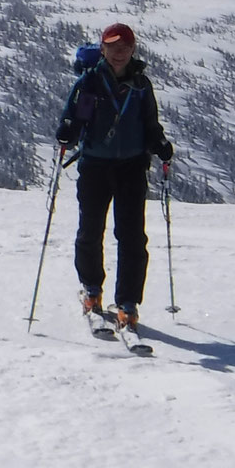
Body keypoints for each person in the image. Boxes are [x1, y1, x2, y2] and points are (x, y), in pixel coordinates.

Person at [56, 22, 173, 332]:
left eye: (125, 47)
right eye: (113, 47)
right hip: (95, 166)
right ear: (103, 49)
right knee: (91, 231)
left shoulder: (140, 85)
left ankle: (127, 302)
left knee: (133, 236)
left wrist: (159, 143)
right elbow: (75, 119)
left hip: (132, 167)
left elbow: (150, 122)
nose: (119, 53)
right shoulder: (90, 83)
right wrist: (68, 132)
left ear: (132, 49)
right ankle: (92, 290)